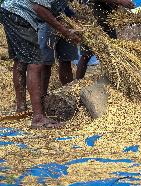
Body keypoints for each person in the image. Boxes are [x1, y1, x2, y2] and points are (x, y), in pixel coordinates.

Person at [0, 0, 81, 129]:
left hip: (9, 9)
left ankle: (21, 108)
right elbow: (38, 8)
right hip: (20, 13)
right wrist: (65, 31)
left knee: (20, 60)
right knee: (36, 63)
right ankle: (38, 118)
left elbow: (58, 8)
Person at [75, 0, 135, 80]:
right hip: (94, 21)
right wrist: (120, 1)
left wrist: (126, 14)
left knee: (112, 52)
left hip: (108, 21)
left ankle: (114, 79)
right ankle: (77, 84)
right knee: (86, 55)